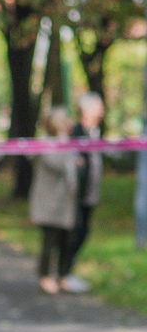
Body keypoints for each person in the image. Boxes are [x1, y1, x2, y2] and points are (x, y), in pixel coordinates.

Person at [29, 108, 78, 296]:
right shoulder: (47, 144)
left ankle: (62, 274)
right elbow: (56, 164)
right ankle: (45, 276)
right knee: (49, 240)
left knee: (65, 239)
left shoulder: (67, 143)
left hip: (64, 201)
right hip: (49, 202)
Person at [62, 92, 105, 294]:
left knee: (83, 232)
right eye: (99, 106)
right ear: (87, 110)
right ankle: (63, 273)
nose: (102, 111)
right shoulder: (75, 132)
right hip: (75, 193)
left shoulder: (95, 132)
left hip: (89, 193)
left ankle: (66, 272)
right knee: (74, 233)